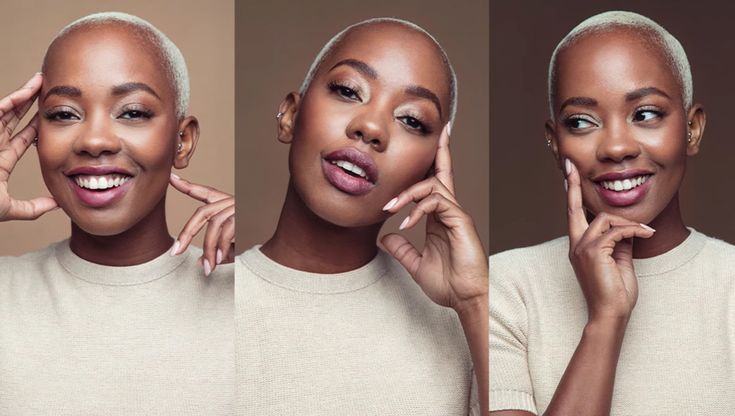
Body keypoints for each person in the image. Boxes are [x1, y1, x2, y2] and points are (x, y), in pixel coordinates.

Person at [236, 18, 488, 415]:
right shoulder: (207, 299)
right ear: (290, 115)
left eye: (411, 120)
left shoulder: (470, 328)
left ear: (431, 169)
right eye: (349, 91)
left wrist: (475, 302)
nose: (371, 127)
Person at [490, 11, 735, 415]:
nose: (616, 147)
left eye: (645, 114)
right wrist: (605, 321)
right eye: (582, 122)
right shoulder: (503, 291)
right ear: (555, 144)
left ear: (692, 129)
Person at [0, 12, 233, 414]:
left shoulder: (245, 293)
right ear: (35, 137)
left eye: (132, 112)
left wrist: (276, 268)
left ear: (183, 140)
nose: (94, 140)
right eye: (63, 114)